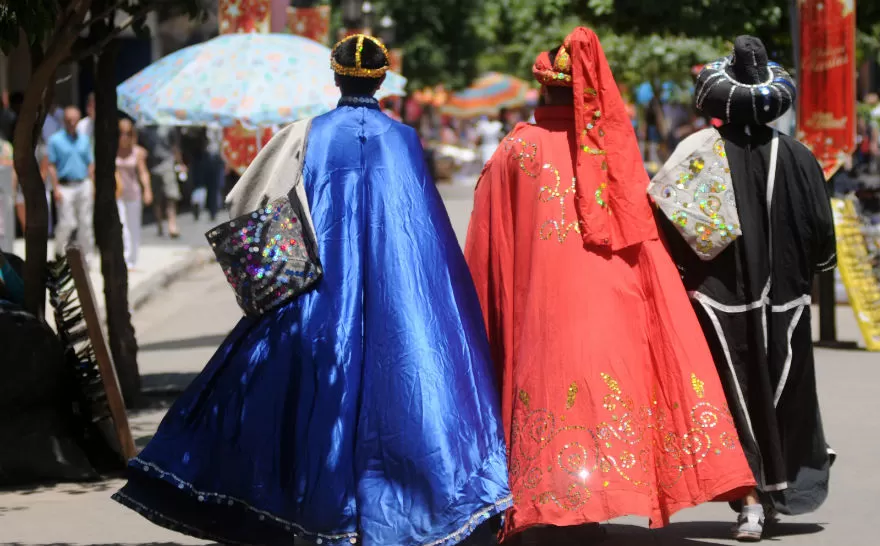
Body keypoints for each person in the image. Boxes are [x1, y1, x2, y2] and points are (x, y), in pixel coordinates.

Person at [112, 34, 511, 546]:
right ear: (382, 80)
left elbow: (254, 204)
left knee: (314, 400)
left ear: (336, 76)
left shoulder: (309, 134)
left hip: (320, 294)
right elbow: (424, 229)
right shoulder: (406, 139)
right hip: (398, 294)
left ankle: (319, 511)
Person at [465, 27, 755, 543]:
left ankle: (556, 501)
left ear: (544, 91)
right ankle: (592, 503)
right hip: (612, 303)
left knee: (555, 393)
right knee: (602, 394)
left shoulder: (518, 149)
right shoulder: (612, 155)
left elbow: (489, 241)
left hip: (543, 307)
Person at [654, 37, 837, 542]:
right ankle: (777, 489)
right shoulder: (800, 157)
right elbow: (821, 235)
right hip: (787, 302)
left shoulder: (696, 153)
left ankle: (748, 501)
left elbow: (665, 224)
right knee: (782, 393)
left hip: (718, 301)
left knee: (731, 398)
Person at [48, 106, 94, 257]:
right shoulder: (55, 140)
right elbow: (51, 166)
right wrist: (55, 189)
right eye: (69, 120)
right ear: (64, 121)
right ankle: (59, 252)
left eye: (75, 120)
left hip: (83, 183)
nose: (72, 123)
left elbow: (90, 163)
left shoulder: (84, 140)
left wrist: (92, 184)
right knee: (67, 223)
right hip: (64, 185)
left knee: (85, 223)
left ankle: (86, 258)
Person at [115, 119, 152, 268]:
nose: (124, 137)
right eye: (121, 133)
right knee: (122, 225)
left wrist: (147, 190)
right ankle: (125, 258)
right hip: (118, 194)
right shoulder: (113, 151)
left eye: (128, 133)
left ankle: (132, 259)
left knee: (134, 227)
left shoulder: (137, 152)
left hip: (134, 193)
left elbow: (143, 172)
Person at [140, 124, 182, 238]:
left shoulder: (168, 126)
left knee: (171, 195)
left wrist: (180, 163)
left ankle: (172, 224)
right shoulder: (143, 128)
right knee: (156, 198)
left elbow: (175, 146)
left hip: (167, 163)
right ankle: (159, 223)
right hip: (152, 166)